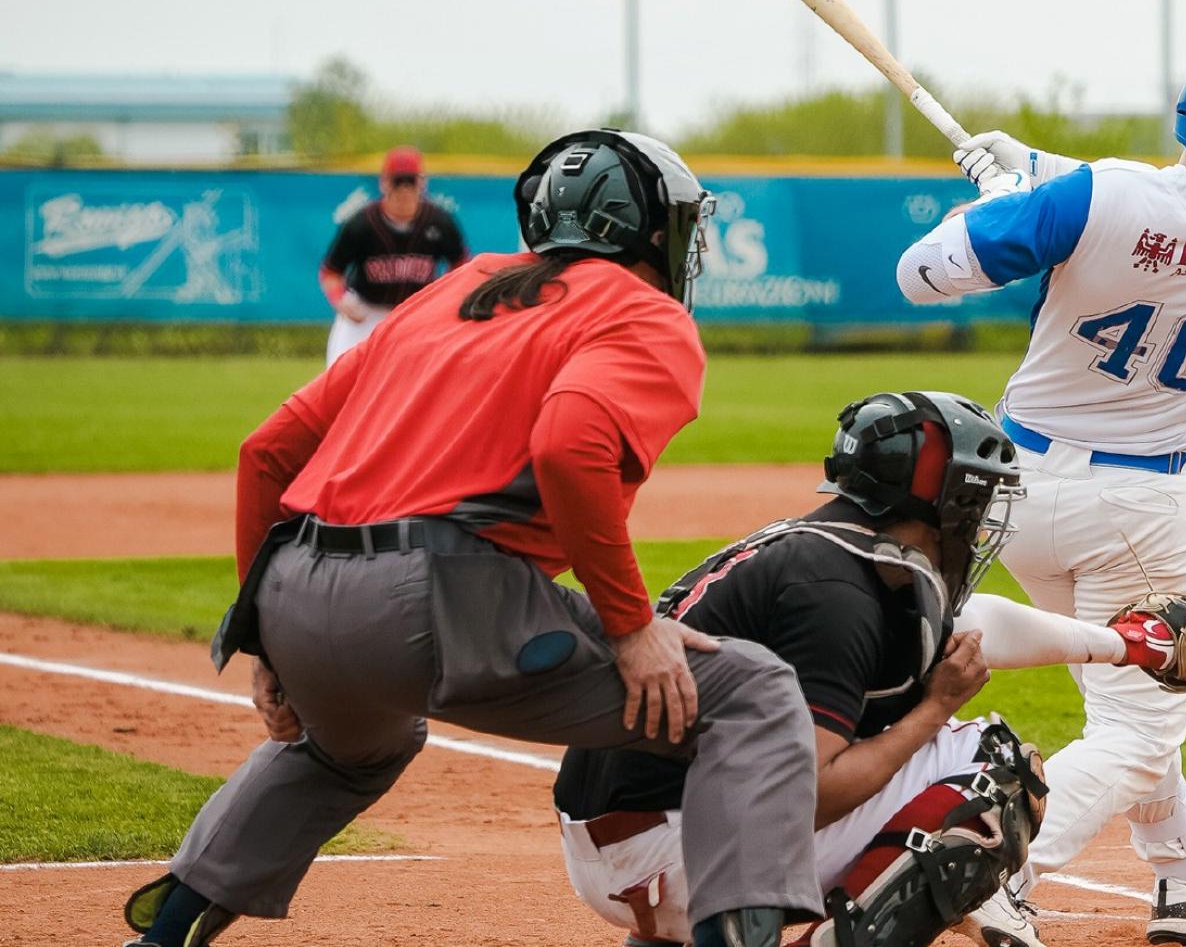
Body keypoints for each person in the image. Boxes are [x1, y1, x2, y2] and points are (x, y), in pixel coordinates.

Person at [118, 129, 820, 947]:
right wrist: (631, 627)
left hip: (294, 590)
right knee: (754, 693)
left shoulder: (461, 286)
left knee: (354, 744)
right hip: (435, 600)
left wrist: (266, 643)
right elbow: (570, 444)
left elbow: (268, 450)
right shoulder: (645, 313)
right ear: (650, 230)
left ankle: (161, 936)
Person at [894, 33, 1186, 945]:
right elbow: (1153, 201)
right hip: (1146, 507)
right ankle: (1002, 868)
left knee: (1134, 709)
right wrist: (1034, 176)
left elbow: (922, 272)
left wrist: (1009, 202)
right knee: (1139, 733)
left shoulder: (1094, 198)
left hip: (1015, 495)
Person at [553, 391, 1186, 947]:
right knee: (997, 775)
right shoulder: (840, 592)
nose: (978, 524)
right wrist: (933, 710)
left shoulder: (821, 546)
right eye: (973, 500)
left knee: (869, 735)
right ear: (937, 499)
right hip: (669, 850)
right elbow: (806, 794)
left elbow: (980, 627)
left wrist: (1128, 646)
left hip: (625, 829)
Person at [318, 145, 468, 366]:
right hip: (366, 311)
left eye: (411, 180)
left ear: (422, 183)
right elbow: (331, 272)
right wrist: (340, 300)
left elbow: (462, 265)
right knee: (339, 374)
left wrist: (446, 299)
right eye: (398, 181)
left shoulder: (440, 222)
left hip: (417, 314)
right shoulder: (362, 224)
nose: (404, 189)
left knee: (427, 378)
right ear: (383, 183)